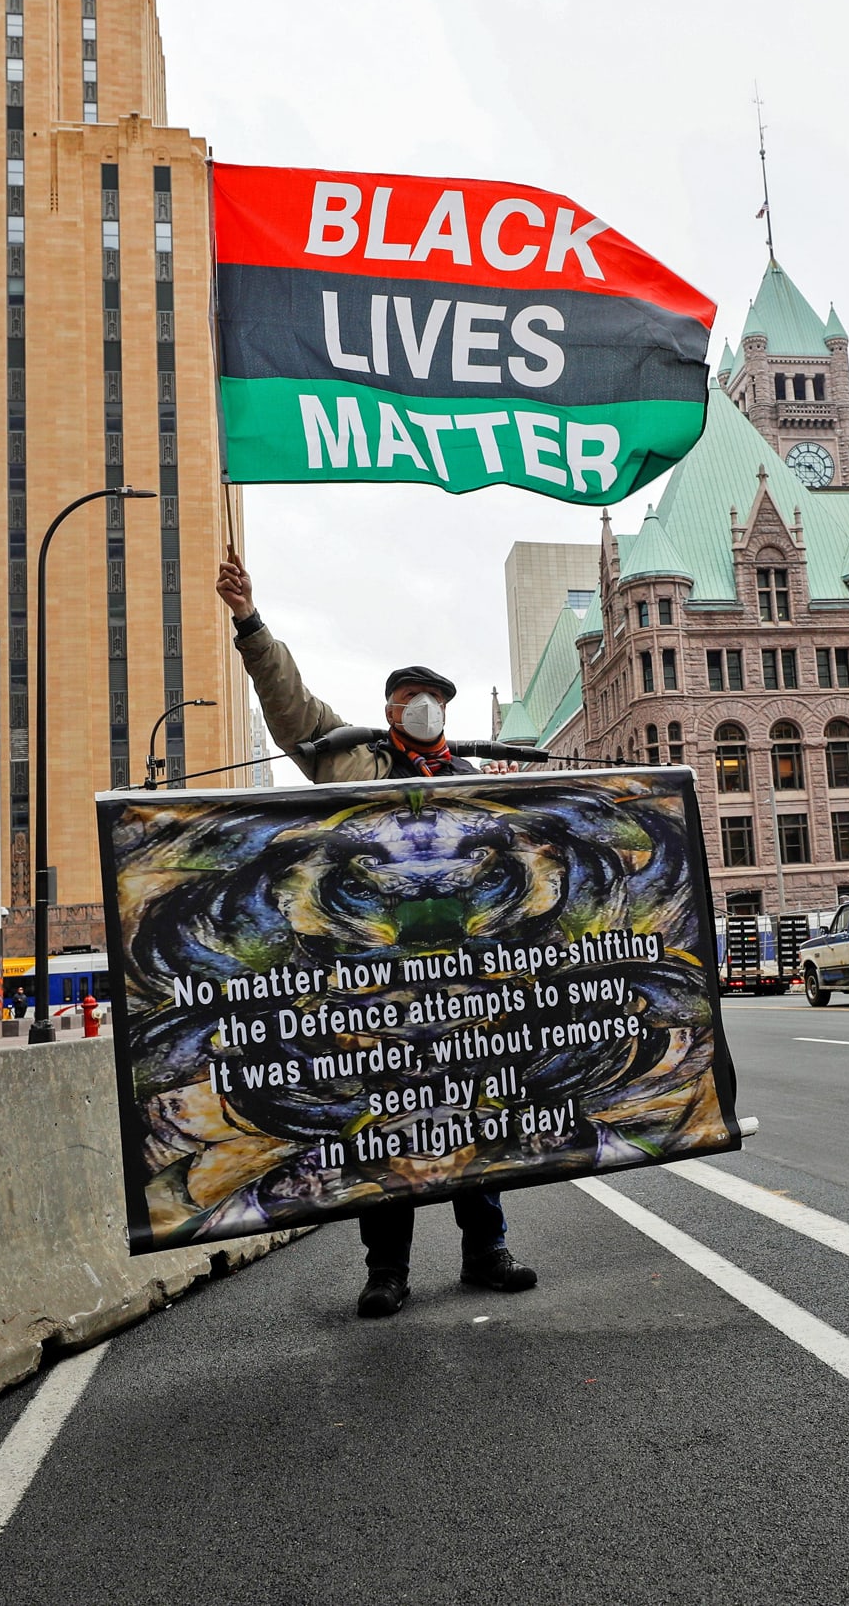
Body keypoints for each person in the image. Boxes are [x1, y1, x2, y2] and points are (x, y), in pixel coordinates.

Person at [216, 543, 539, 1319]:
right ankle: (386, 1268)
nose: (424, 707)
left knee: (474, 1110)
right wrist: (250, 621)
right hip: (379, 985)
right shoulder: (350, 758)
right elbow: (290, 706)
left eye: (435, 697)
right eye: (411, 696)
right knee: (385, 1118)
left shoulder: (470, 781)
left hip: (463, 990)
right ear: (389, 707)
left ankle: (485, 1249)